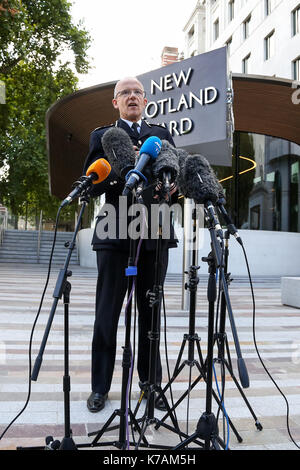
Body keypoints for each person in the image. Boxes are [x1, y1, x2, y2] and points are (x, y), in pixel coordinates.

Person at [83, 76, 177, 413]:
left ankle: (150, 385)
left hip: (154, 232)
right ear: (115, 102)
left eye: (137, 92)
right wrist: (125, 172)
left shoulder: (162, 135)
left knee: (150, 315)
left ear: (146, 99)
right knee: (106, 314)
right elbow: (92, 184)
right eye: (125, 93)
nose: (132, 97)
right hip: (115, 231)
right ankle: (100, 387)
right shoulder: (102, 136)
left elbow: (172, 177)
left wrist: (168, 185)